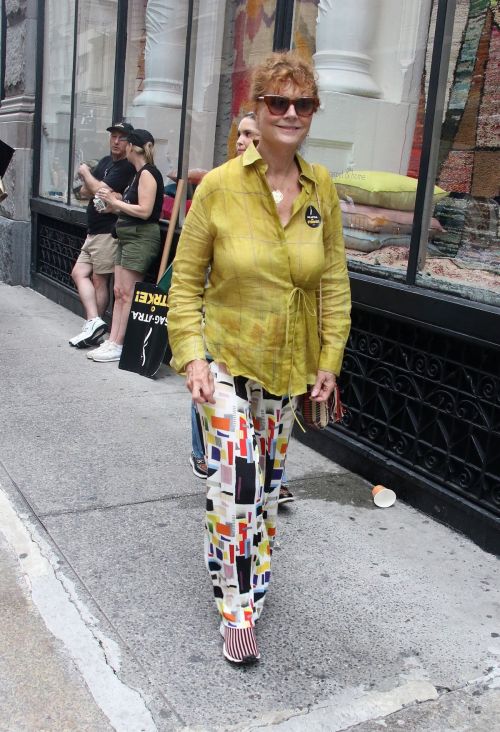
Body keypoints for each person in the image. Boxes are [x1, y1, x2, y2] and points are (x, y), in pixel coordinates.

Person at [167, 51, 351, 664]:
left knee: (262, 487)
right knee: (241, 478)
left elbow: (333, 283)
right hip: (223, 358)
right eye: (278, 102)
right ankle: (239, 607)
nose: (291, 112)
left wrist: (329, 362)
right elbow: (186, 282)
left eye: (303, 104)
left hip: (287, 365)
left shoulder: (320, 186)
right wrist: (192, 357)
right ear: (258, 109)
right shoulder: (219, 188)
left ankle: (233, 559)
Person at [189, 112, 261, 480]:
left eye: (251, 136)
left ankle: (257, 470)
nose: (241, 141)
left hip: (260, 325)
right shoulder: (219, 186)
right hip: (218, 309)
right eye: (240, 134)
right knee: (207, 375)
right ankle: (204, 451)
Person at [88, 129, 165, 363]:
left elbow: (145, 211)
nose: (121, 144)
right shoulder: (137, 174)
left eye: (125, 142)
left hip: (140, 237)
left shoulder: (148, 173)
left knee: (127, 294)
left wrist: (113, 201)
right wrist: (112, 205)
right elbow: (132, 206)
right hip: (126, 235)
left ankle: (119, 343)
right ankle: (113, 339)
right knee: (119, 292)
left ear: (131, 147)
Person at [69, 122, 135, 348]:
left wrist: (86, 173)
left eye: (121, 138)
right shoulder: (107, 162)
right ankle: (94, 321)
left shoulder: (126, 167)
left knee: (100, 279)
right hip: (93, 230)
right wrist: (95, 185)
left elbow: (96, 189)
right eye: (113, 137)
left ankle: (93, 326)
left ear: (130, 143)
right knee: (78, 272)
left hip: (108, 231)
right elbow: (87, 191)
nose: (116, 141)